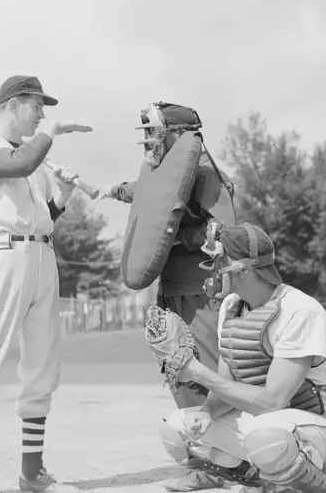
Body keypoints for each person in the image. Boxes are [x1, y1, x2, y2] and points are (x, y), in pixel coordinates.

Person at [0, 75, 92, 493]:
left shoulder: (33, 162)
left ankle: (32, 474)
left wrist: (61, 195)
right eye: (35, 105)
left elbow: (39, 218)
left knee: (43, 366)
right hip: (3, 257)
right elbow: (19, 164)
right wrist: (51, 134)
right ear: (11, 106)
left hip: (43, 255)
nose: (43, 113)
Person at [158, 220, 326, 492]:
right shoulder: (231, 307)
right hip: (272, 427)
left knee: (265, 436)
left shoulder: (299, 310)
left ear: (241, 267)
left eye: (219, 260)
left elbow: (272, 402)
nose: (213, 269)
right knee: (177, 430)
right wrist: (207, 411)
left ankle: (322, 487)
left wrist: (195, 371)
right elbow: (225, 388)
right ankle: (261, 479)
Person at [97, 101, 234, 490]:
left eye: (156, 132)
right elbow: (150, 196)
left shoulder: (205, 174)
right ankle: (202, 462)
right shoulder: (166, 173)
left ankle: (222, 466)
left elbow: (222, 231)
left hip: (202, 288)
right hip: (172, 287)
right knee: (180, 374)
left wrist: (179, 238)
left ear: (176, 133)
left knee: (206, 374)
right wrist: (108, 190)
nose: (151, 140)